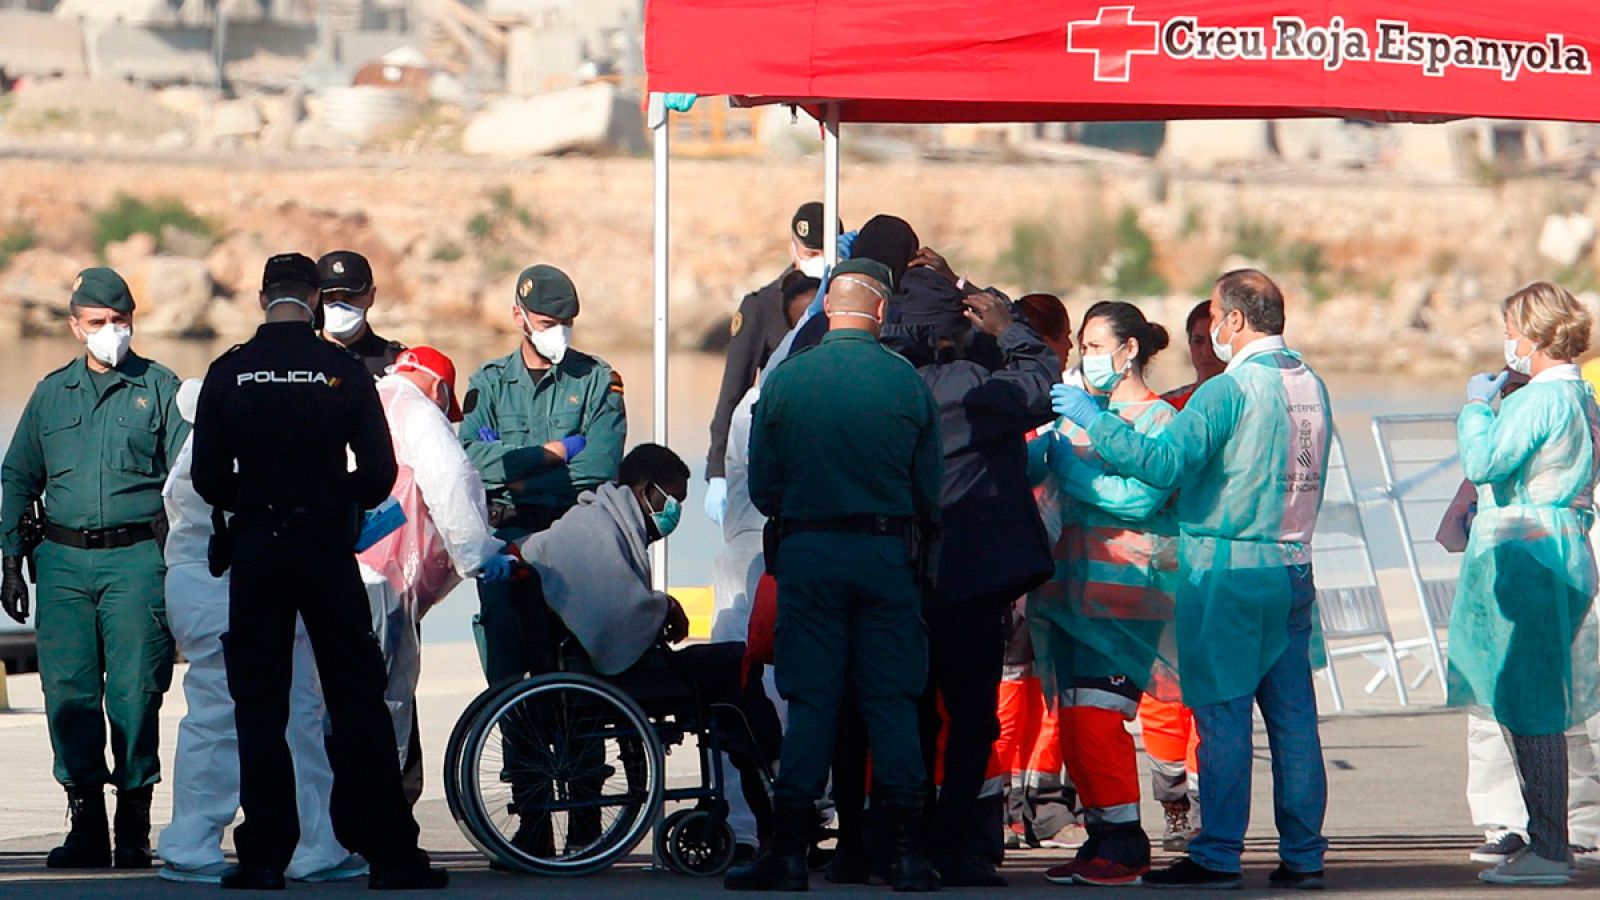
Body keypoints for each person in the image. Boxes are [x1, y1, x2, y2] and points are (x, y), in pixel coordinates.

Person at [1052, 269, 1331, 890]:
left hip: (1228, 570)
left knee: (1222, 718)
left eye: (1213, 319)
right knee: (1293, 724)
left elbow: (1162, 462)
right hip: (1294, 565)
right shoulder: (1311, 385)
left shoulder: (1226, 391)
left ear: (1233, 320)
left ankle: (1217, 854)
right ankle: (1304, 856)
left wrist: (1091, 423)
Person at [191, 252, 446, 890]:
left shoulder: (230, 371)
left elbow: (206, 478)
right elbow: (382, 473)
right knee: (357, 701)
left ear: (261, 297)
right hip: (326, 551)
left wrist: (255, 499)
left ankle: (262, 858)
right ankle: (390, 855)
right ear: (311, 299)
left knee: (260, 704)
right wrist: (339, 496)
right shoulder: (338, 369)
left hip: (257, 550)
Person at [726, 258, 943, 893]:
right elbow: (929, 489)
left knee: (813, 701)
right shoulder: (905, 382)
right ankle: (905, 854)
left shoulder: (789, 380)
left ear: (827, 309)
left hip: (810, 555)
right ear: (879, 312)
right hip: (885, 560)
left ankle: (789, 850)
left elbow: (762, 485)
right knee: (892, 702)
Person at [0, 267, 185, 869]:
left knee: (135, 694)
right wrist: (9, 559)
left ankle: (133, 821)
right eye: (99, 323)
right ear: (77, 326)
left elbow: (191, 482)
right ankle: (85, 820)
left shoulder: (161, 388)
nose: (112, 332)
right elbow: (18, 476)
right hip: (61, 564)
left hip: (137, 560)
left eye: (121, 320)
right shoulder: (52, 393)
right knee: (69, 694)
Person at [514, 443, 781, 851]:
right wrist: (664, 607)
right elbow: (616, 613)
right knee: (735, 666)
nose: (675, 511)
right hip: (614, 677)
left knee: (734, 672)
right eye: (672, 499)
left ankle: (767, 794)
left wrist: (658, 609)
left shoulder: (601, 518)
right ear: (645, 489)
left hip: (597, 668)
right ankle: (774, 785)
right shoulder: (597, 528)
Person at [157, 379, 364, 885]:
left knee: (211, 715)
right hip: (238, 589)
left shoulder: (190, 457)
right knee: (296, 714)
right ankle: (314, 843)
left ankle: (193, 840)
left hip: (195, 588)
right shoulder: (240, 451)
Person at [885, 285, 1057, 886]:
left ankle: (903, 841)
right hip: (970, 580)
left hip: (902, 575)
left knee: (909, 714)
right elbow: (1043, 384)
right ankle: (954, 842)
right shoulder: (969, 386)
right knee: (971, 717)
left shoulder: (887, 383)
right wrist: (1010, 327)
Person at [1448, 281, 1600, 887]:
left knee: (1528, 702)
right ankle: (1548, 838)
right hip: (1565, 543)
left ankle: (1548, 847)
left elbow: (1484, 464)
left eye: (1510, 329)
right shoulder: (1582, 397)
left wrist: (1476, 411)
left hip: (1529, 551)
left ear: (1534, 335)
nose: (1506, 341)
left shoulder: (1539, 399)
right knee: (1537, 697)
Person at [1031, 302, 1180, 887]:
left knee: (1097, 719)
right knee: (1072, 722)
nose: (1086, 358)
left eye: (1096, 347)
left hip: (1127, 598)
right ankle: (1101, 835)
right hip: (1070, 594)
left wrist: (1069, 465)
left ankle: (1125, 843)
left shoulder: (1159, 421)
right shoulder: (1078, 417)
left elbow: (1139, 498)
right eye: (1084, 347)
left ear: (1130, 350)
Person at [356, 346, 516, 805]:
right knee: (385, 699)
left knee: (330, 701)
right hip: (384, 579)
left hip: (334, 570)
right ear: (439, 388)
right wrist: (479, 556)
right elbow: (452, 485)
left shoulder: (365, 400)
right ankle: (378, 818)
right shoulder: (418, 411)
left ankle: (329, 827)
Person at [461, 264, 627, 687]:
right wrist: (553, 453)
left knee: (575, 661)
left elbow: (597, 469)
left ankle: (581, 753)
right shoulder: (491, 383)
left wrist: (517, 478)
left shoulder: (596, 380)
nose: (560, 333)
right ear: (520, 316)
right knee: (506, 659)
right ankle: (518, 748)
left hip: (572, 534)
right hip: (508, 537)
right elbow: (470, 461)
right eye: (548, 324)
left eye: (567, 324)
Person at [711, 272, 817, 859]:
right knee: (761, 697)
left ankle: (764, 823)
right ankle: (757, 827)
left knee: (760, 698)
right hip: (763, 566)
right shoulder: (770, 402)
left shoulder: (770, 397)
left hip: (761, 562)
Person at [1138, 298, 1220, 853]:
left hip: (1221, 575)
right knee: (1162, 703)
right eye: (1195, 339)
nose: (1204, 350)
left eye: (1211, 338)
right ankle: (1173, 808)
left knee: (1215, 700)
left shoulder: (1252, 406)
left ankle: (1212, 809)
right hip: (1167, 573)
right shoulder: (1170, 409)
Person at [705, 203, 834, 525]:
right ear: (794, 248)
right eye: (810, 250)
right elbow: (734, 391)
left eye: (823, 250)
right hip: (775, 447)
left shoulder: (850, 303)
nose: (815, 258)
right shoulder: (763, 305)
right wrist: (718, 468)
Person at [317, 250, 405, 377]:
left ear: (371, 296)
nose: (338, 306)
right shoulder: (298, 361)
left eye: (350, 297)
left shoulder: (397, 363)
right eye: (328, 297)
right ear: (314, 298)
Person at [1162, 300, 1226, 410]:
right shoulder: (1165, 408)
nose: (1206, 351)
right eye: (1198, 341)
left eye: (1214, 342)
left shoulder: (1249, 404)